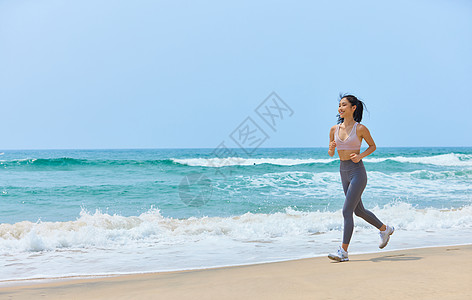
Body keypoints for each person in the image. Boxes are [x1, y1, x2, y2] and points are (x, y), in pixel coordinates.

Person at [327, 93, 394, 262]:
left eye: (344, 105)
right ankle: (385, 229)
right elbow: (330, 153)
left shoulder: (360, 129)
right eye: (339, 105)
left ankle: (343, 252)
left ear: (353, 108)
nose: (340, 108)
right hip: (343, 171)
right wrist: (331, 148)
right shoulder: (334, 129)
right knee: (358, 211)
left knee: (346, 211)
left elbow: (373, 146)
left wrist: (360, 156)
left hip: (357, 172)